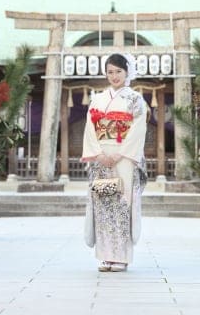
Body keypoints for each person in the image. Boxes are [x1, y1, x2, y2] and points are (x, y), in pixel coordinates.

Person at [81, 53, 148, 272]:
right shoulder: (98, 99)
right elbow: (90, 129)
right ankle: (105, 256)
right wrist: (98, 154)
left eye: (118, 71)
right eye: (110, 72)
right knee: (103, 203)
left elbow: (138, 129)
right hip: (101, 157)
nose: (114, 76)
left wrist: (120, 154)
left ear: (127, 72)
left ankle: (121, 257)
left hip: (124, 158)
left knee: (121, 203)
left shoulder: (135, 99)